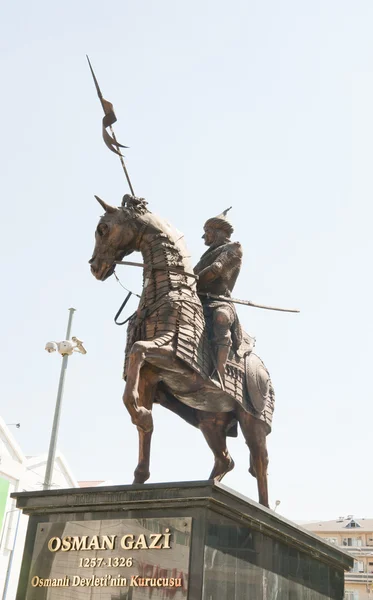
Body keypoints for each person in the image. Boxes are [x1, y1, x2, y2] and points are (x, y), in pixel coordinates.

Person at [194, 208, 243, 387]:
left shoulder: (233, 248)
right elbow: (193, 272)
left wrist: (192, 279)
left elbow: (216, 270)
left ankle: (219, 374)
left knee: (220, 318)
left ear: (217, 232)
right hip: (199, 298)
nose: (204, 237)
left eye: (207, 232)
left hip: (219, 301)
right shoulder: (204, 256)